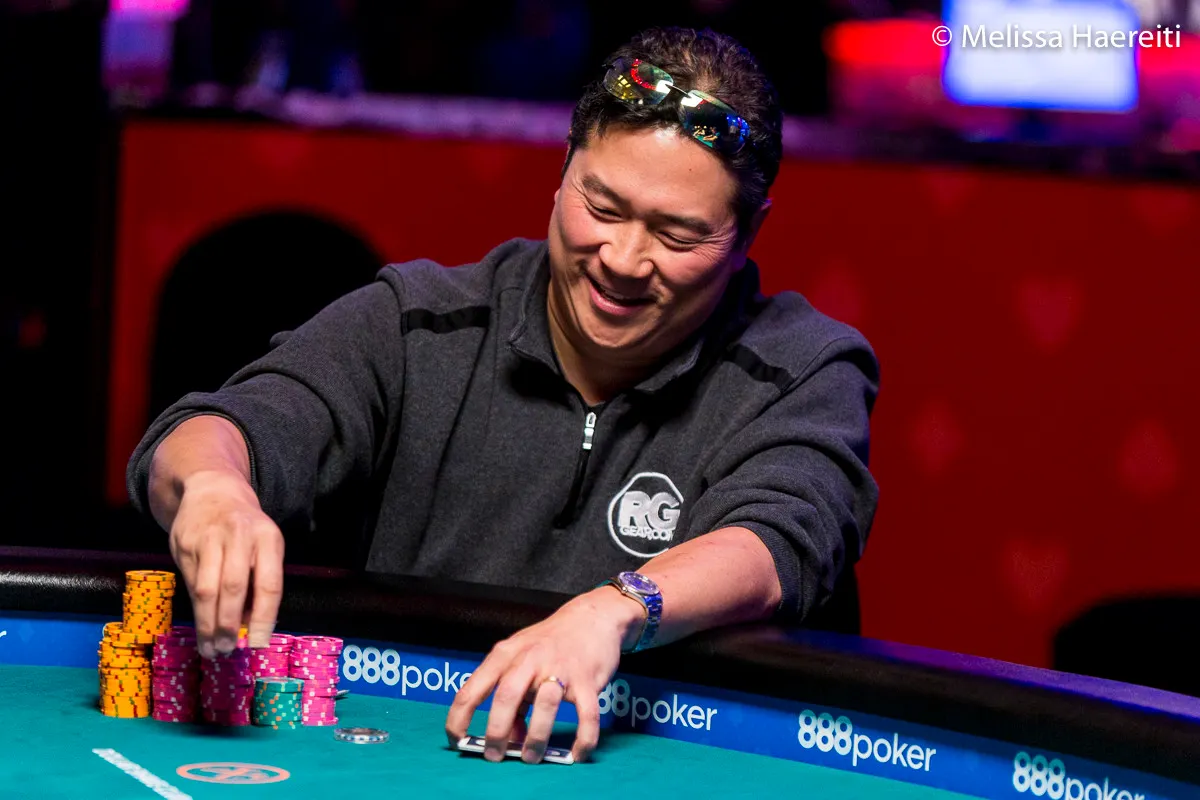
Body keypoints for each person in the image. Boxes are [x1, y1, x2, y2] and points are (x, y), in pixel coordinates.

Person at [126, 26, 880, 765]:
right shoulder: (417, 323)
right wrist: (216, 486)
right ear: (563, 173)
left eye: (677, 236)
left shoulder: (805, 368)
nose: (622, 259)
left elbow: (776, 541)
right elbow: (223, 427)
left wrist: (615, 611)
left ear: (747, 234)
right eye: (602, 207)